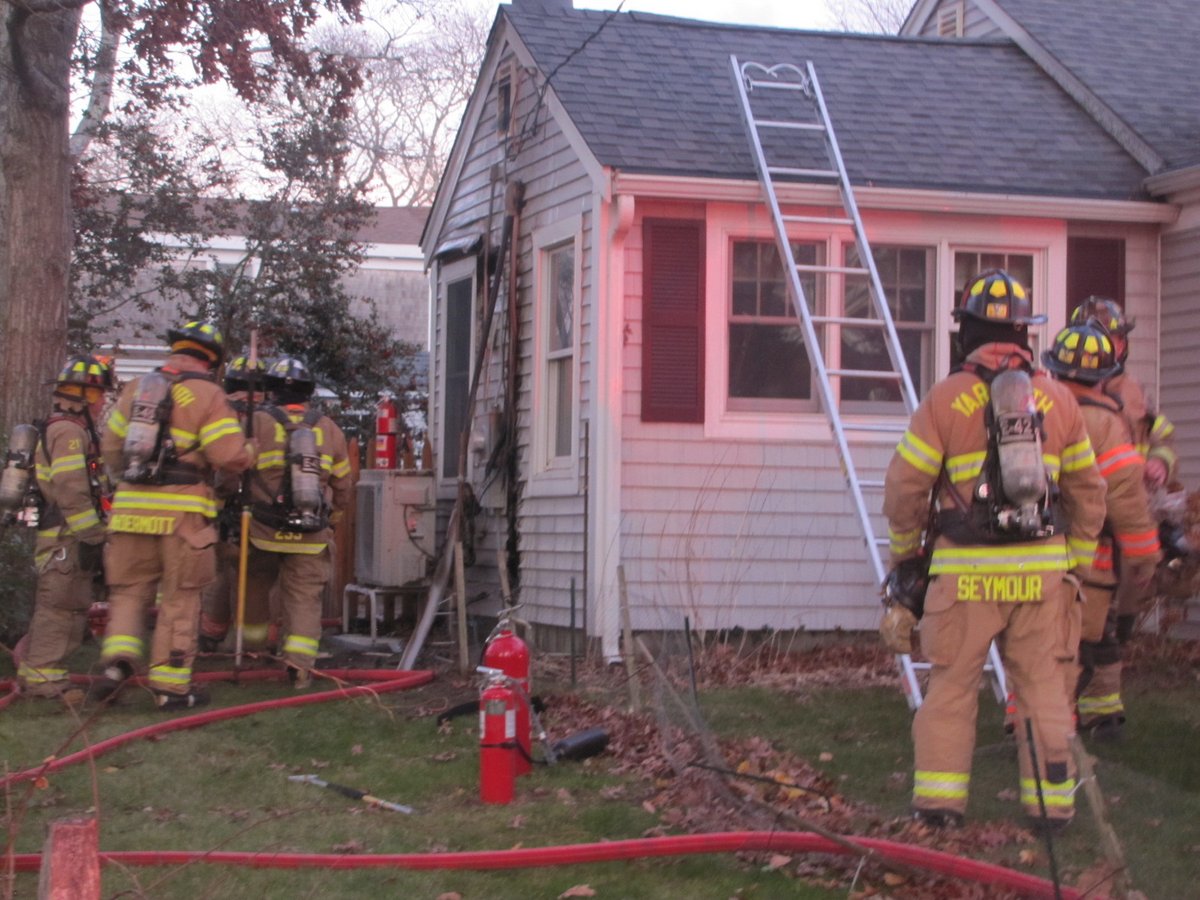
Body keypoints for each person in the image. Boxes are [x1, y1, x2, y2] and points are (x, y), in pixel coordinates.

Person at [881, 269, 1106, 830]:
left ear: (966, 332)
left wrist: (907, 559)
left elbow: (905, 489)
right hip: (1043, 577)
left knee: (952, 688)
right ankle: (1052, 812)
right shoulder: (1058, 400)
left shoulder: (946, 399)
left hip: (965, 575)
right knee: (1043, 690)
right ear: (1025, 334)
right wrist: (1074, 565)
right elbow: (1088, 494)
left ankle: (939, 808)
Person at [92, 321, 256, 710]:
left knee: (129, 592)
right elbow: (225, 456)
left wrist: (131, 485)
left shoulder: (136, 389)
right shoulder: (208, 394)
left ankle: (116, 666)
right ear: (211, 361)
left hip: (130, 511)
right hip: (183, 515)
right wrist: (249, 451)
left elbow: (112, 449)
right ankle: (171, 687)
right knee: (179, 598)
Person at [1042, 320, 1161, 739]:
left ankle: (1023, 725)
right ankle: (1061, 732)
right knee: (1077, 642)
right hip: (1088, 558)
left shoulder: (1033, 406)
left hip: (1025, 553)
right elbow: (1126, 499)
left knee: (1032, 643)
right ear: (1104, 375)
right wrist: (1145, 558)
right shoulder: (1106, 424)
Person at [1069, 297, 1176, 735]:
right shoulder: (1069, 394)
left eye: (1118, 337)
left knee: (1115, 621)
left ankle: (1099, 707)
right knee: (1084, 621)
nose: (1114, 344)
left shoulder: (1134, 392)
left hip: (1129, 518)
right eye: (1108, 336)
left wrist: (1161, 464)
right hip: (1089, 522)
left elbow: (1163, 435)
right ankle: (1078, 711)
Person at [243, 357, 352, 687]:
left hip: (262, 528)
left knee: (255, 589)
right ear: (309, 392)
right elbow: (343, 485)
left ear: (270, 391)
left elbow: (232, 471)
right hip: (310, 531)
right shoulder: (329, 428)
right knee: (304, 599)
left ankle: (251, 654)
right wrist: (333, 518)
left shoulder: (256, 422)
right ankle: (299, 668)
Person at [15, 356, 114, 701]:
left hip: (66, 536)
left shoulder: (67, 428)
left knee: (69, 608)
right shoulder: (69, 433)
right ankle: (44, 682)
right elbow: (72, 490)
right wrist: (94, 535)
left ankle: (44, 676)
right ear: (86, 397)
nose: (103, 404)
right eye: (100, 396)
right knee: (58, 609)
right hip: (66, 538)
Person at [198, 354, 267, 653]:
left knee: (221, 574)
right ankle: (250, 643)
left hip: (218, 510)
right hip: (251, 509)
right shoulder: (267, 418)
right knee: (253, 577)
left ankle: (211, 636)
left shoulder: (219, 413)